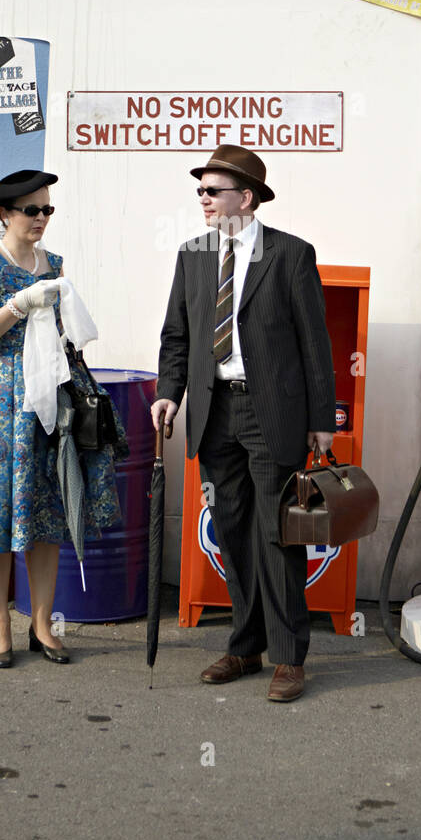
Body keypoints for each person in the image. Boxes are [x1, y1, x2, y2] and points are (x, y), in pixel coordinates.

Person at [152, 145, 336, 703]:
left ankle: (288, 658)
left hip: (271, 411)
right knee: (231, 533)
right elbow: (177, 335)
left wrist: (321, 420)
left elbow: (315, 345)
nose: (203, 200)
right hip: (214, 413)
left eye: (213, 191)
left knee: (278, 535)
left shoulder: (290, 255)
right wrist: (169, 394)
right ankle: (245, 646)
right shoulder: (193, 255)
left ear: (247, 198)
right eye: (200, 192)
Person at [0, 169, 125, 667]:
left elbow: (68, 334)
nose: (42, 218)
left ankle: (43, 625)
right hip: (3, 398)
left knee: (48, 510)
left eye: (47, 209)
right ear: (3, 213)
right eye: (32, 210)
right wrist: (18, 305)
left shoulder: (57, 264)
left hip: (51, 396)